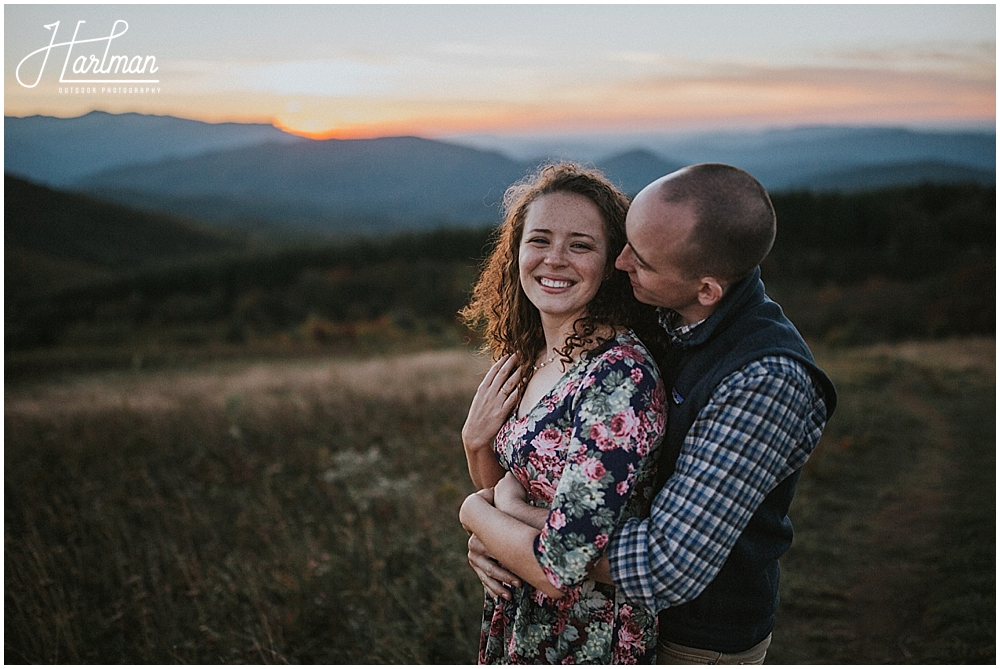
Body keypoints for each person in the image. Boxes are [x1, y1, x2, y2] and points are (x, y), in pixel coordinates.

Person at [473, 163, 837, 664]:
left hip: (694, 637)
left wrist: (493, 516)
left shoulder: (764, 380)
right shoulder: (672, 314)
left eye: (639, 258)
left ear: (706, 288)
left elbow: (662, 564)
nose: (620, 263)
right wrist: (497, 529)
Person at [458, 162, 667, 664]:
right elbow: (504, 484)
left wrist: (475, 515)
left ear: (613, 261)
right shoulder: (529, 357)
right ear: (515, 252)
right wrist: (475, 443)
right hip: (521, 614)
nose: (554, 260)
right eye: (540, 240)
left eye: (580, 245)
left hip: (587, 632)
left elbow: (563, 566)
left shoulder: (619, 379)